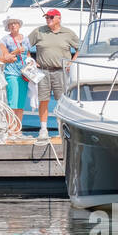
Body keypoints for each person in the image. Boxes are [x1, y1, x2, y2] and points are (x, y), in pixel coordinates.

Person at [28, 8, 79, 139]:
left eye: (51, 17)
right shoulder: (39, 31)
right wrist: (30, 60)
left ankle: (61, 129)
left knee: (61, 101)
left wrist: (72, 62)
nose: (48, 20)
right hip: (42, 71)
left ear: (58, 18)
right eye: (47, 18)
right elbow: (25, 46)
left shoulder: (68, 33)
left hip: (60, 71)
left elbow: (80, 48)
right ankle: (43, 129)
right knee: (43, 100)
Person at [1, 16, 30, 131]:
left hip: (24, 73)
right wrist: (16, 52)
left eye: (15, 23)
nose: (13, 25)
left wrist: (31, 63)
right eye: (11, 24)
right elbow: (5, 56)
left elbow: (28, 55)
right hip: (11, 72)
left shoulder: (26, 39)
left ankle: (18, 129)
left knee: (21, 102)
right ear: (8, 27)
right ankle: (10, 128)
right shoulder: (5, 40)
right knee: (12, 101)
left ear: (19, 25)